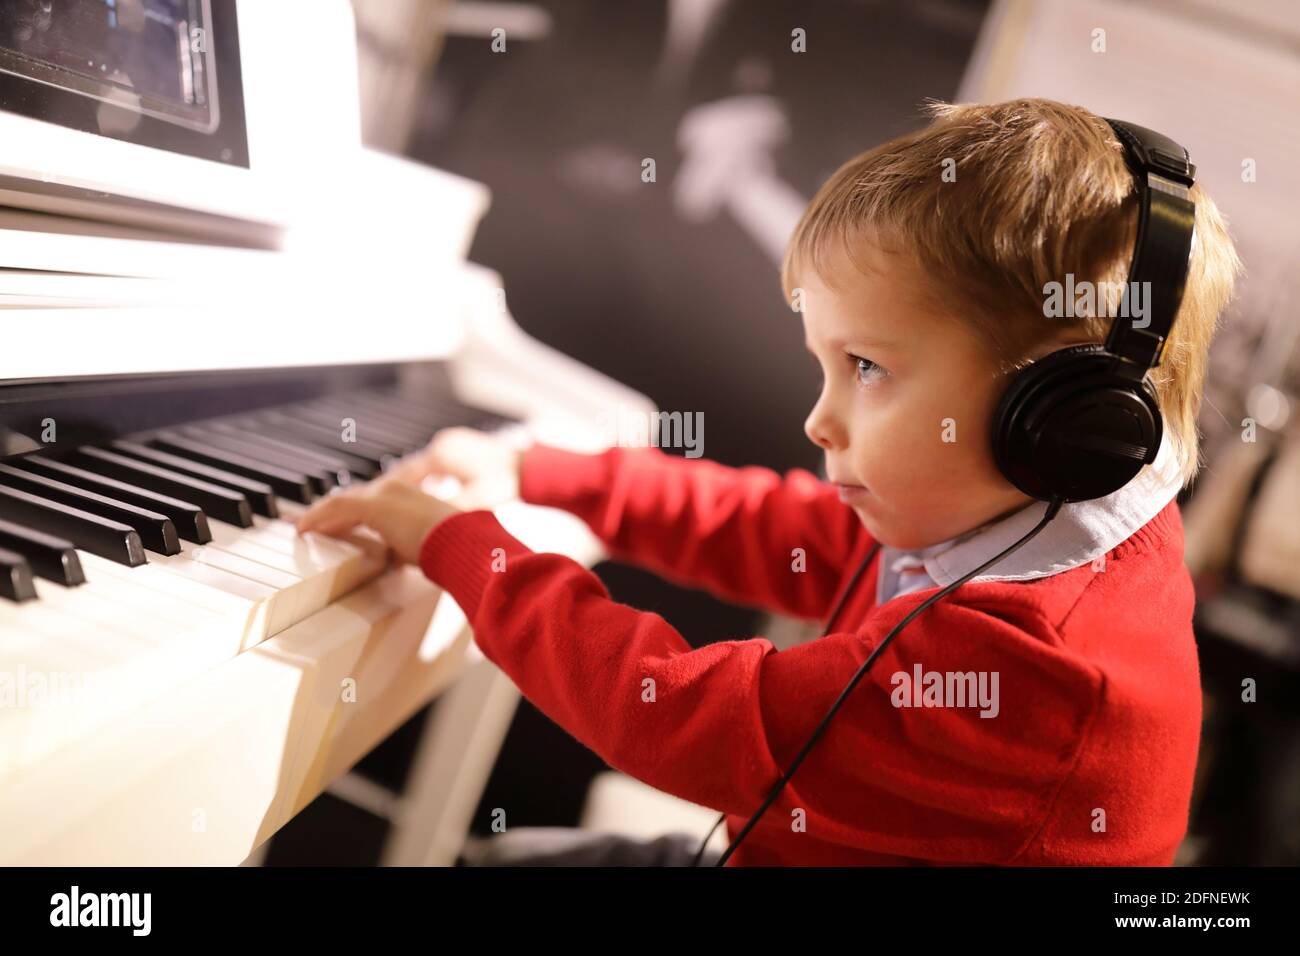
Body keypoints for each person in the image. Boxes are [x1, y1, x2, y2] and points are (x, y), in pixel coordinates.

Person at [295, 98, 1242, 866]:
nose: (817, 420)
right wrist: (543, 471)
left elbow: (663, 710)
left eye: (866, 368)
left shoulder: (1032, 664)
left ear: (1058, 412)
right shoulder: (1024, 513)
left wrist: (460, 544)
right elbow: (769, 524)